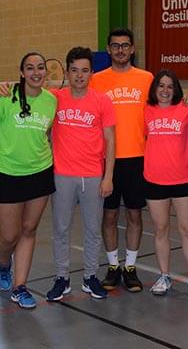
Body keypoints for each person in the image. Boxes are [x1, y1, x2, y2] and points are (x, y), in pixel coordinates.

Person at [0, 52, 57, 309]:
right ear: (22, 72)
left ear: (46, 72)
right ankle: (4, 265)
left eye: (41, 68)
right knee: (9, 235)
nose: (36, 72)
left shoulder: (51, 101)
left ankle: (20, 286)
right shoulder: (3, 97)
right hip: (7, 174)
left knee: (29, 229)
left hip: (40, 172)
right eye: (30, 68)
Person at [44, 47, 115, 302]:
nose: (79, 76)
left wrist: (108, 176)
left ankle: (89, 277)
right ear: (66, 72)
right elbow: (28, 95)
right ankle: (62, 278)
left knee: (93, 230)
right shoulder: (54, 98)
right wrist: (7, 88)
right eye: (74, 70)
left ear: (91, 73)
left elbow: (110, 139)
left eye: (84, 71)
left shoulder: (102, 100)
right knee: (61, 229)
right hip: (62, 175)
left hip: (93, 175)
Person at [90, 28, 154, 292]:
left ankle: (130, 267)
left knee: (135, 215)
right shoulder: (95, 80)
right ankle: (113, 266)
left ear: (133, 49)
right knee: (109, 215)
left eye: (125, 46)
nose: (120, 50)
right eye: (115, 46)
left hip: (138, 157)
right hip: (106, 161)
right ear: (108, 49)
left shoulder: (147, 78)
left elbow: (164, 103)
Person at [144, 69, 188, 296]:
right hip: (154, 178)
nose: (165, 90)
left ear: (175, 89)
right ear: (155, 89)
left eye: (170, 86)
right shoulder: (146, 110)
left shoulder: (186, 108)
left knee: (187, 229)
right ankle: (164, 276)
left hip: (182, 179)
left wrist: (177, 141)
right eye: (161, 86)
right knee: (160, 229)